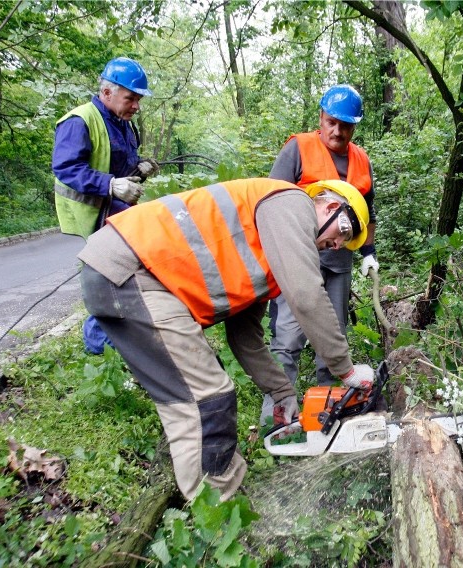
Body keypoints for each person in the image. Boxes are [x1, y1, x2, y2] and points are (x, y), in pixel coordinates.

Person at [77, 178, 376, 501]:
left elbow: (244, 335)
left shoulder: (268, 249)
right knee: (207, 399)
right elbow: (306, 294)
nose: (336, 246)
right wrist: (345, 369)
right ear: (331, 207)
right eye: (343, 232)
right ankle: (216, 516)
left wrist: (281, 392)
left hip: (141, 276)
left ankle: (213, 494)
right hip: (133, 270)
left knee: (199, 392)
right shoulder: (291, 203)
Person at [264, 84, 378, 421]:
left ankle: (328, 413)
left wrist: (369, 253)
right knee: (287, 336)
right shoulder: (298, 148)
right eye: (332, 122)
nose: (337, 131)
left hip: (339, 261)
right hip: (297, 258)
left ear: (354, 126)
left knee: (334, 334)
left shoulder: (361, 159)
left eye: (345, 125)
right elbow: (270, 202)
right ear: (321, 118)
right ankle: (275, 418)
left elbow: (368, 213)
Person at [52, 56, 160, 355]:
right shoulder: (80, 120)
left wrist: (140, 169)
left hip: (115, 212)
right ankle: (101, 351)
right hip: (93, 212)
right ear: (107, 92)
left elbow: (121, 170)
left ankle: (120, 342)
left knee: (126, 273)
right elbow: (67, 168)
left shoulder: (122, 123)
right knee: (110, 276)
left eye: (138, 99)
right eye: (131, 98)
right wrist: (111, 186)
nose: (136, 105)